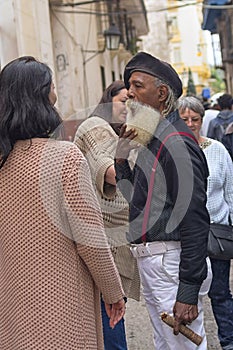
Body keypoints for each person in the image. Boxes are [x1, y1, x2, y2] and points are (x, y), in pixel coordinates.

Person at [0, 56, 126, 350]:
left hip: (11, 305)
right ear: (43, 97)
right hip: (62, 303)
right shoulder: (65, 157)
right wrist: (113, 292)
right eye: (52, 85)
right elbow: (90, 239)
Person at [114, 52, 211, 350]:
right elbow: (135, 201)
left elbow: (195, 219)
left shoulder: (176, 142)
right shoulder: (154, 140)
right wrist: (120, 155)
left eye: (137, 85)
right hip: (157, 263)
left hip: (171, 262)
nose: (129, 92)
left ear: (162, 93)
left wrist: (187, 291)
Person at [74, 80, 140, 350]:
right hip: (101, 240)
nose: (128, 107)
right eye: (123, 100)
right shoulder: (93, 127)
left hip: (118, 237)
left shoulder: (120, 132)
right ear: (107, 100)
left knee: (111, 312)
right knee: (110, 313)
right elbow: (111, 173)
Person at [178, 96, 233, 350]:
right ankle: (193, 344)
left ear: (202, 120)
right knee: (190, 296)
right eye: (184, 119)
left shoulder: (218, 150)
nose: (190, 124)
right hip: (188, 238)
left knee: (220, 294)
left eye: (195, 119)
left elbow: (230, 191)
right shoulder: (172, 153)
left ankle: (229, 342)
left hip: (217, 233)